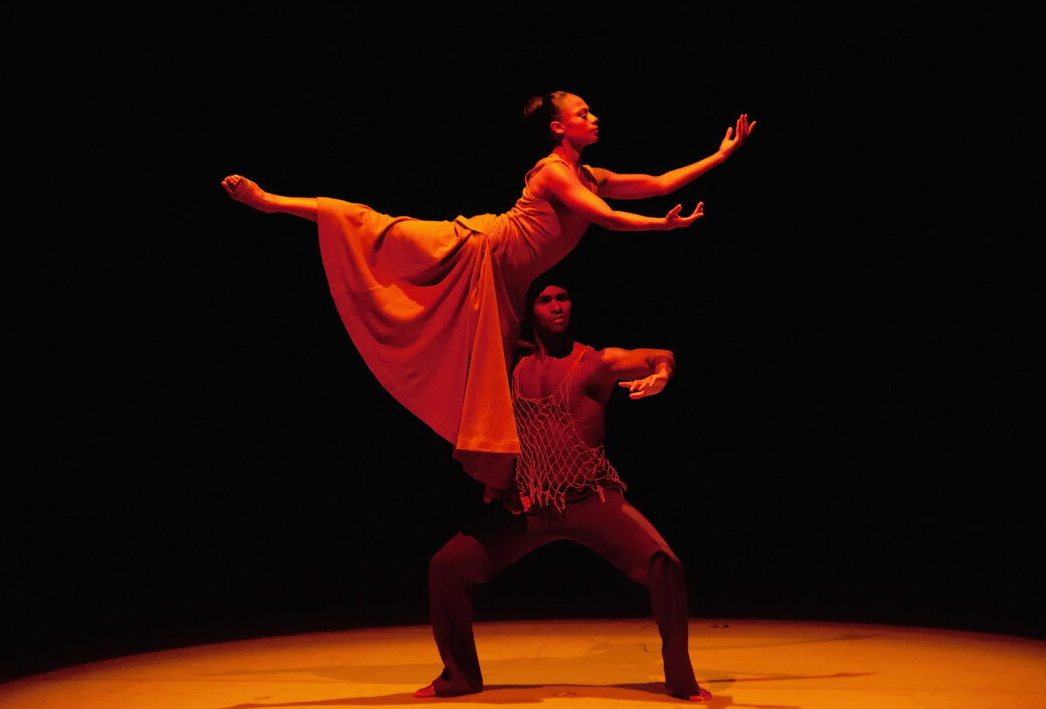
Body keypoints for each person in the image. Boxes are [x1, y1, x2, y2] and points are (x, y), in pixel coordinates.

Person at [222, 93, 752, 493]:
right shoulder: (552, 172)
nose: (593, 118)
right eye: (582, 112)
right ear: (557, 126)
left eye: (592, 112)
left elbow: (658, 182)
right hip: (477, 248)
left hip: (504, 283)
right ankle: (270, 201)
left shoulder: (589, 173)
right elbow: (609, 221)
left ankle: (504, 489)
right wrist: (664, 228)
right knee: (371, 225)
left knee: (490, 386)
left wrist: (719, 157)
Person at [417, 281, 710, 701]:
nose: (557, 307)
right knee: (446, 567)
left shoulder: (594, 363)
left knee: (665, 563)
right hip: (531, 505)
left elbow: (653, 355)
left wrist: (662, 371)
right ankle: (458, 676)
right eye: (546, 300)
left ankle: (680, 680)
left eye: (564, 298)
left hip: (592, 497)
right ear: (528, 311)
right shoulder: (508, 362)